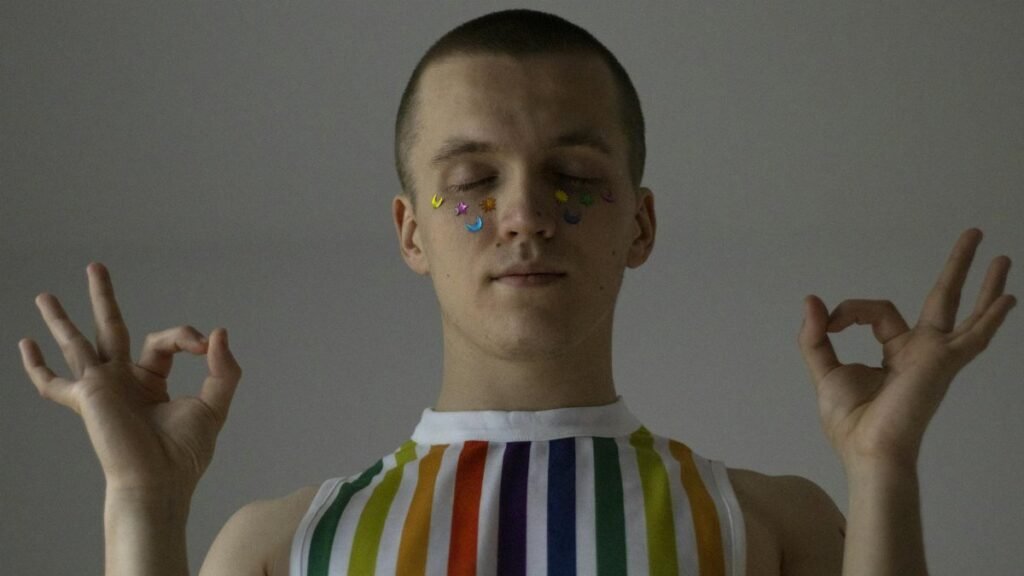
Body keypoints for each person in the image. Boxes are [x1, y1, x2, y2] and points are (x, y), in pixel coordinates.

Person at [18, 8, 1016, 576]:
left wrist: (884, 465)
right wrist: (142, 503)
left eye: (574, 175)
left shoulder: (772, 526)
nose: (526, 215)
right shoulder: (281, 547)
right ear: (411, 230)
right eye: (472, 182)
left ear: (639, 223)